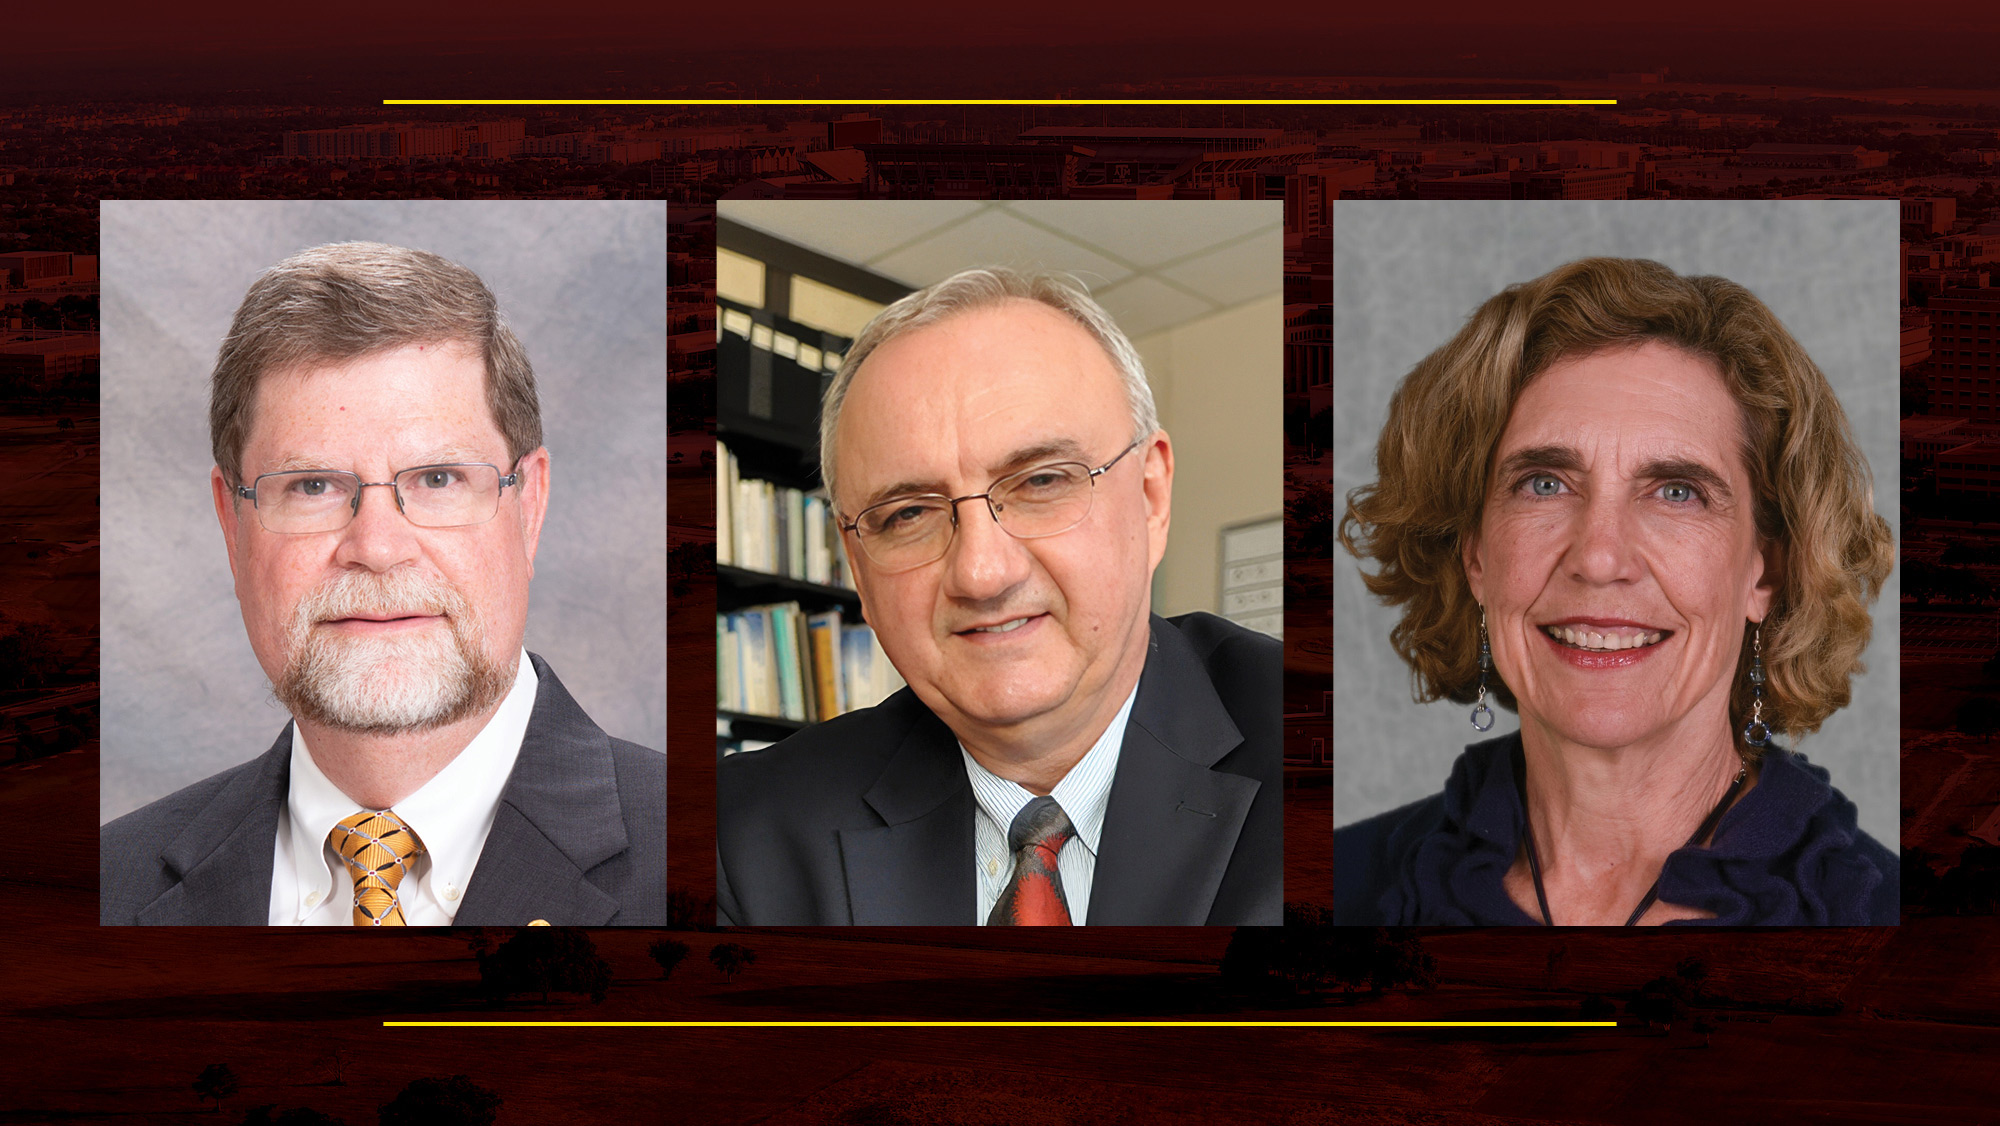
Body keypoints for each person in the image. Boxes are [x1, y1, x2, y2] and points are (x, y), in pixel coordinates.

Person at [101, 242, 664, 926]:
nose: (377, 548)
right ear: (233, 523)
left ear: (531, 507)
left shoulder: (698, 855)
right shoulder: (103, 886)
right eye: (311, 486)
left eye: (437, 479)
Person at [1335, 257, 1897, 926]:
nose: (1600, 559)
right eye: (1544, 483)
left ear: (1766, 571)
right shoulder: (1343, 886)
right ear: (1476, 555)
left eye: (1677, 492)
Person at [716, 267, 1281, 926]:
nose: (982, 573)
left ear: (1151, 498)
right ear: (857, 571)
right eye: (907, 515)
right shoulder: (742, 835)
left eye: (1041, 481)